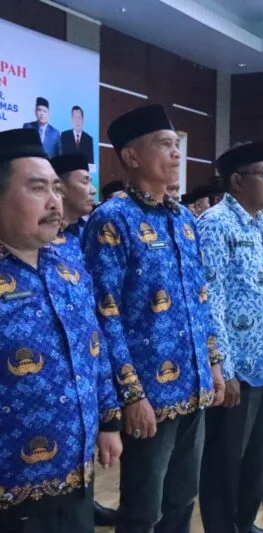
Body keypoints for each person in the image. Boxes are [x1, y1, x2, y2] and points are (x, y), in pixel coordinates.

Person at [82, 104, 225, 532]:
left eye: (176, 145)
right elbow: (104, 315)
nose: (176, 153)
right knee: (144, 509)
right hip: (149, 394)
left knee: (183, 497)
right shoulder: (112, 219)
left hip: (194, 385)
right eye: (165, 145)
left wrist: (214, 363)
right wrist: (130, 395)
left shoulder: (183, 219)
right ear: (131, 156)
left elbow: (201, 299)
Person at [0, 128, 122, 533]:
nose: (55, 201)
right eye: (38, 189)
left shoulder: (68, 264)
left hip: (75, 469)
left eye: (56, 187)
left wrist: (109, 423)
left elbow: (94, 349)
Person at [196, 141, 263, 533]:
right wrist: (225, 369)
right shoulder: (215, 224)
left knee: (256, 460)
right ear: (236, 181)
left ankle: (245, 525)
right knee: (224, 462)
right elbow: (210, 300)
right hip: (239, 370)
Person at [50, 153, 120, 527]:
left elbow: (91, 328)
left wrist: (109, 419)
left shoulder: (75, 239)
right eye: (83, 180)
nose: (91, 189)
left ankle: (86, 502)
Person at [50, 154, 95, 265]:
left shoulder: (90, 228)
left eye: (90, 182)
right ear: (60, 188)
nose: (93, 190)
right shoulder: (45, 238)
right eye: (85, 182)